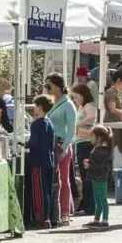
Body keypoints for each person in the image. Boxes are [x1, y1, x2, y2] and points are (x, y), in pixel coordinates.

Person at [44, 73, 77, 225]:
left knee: (63, 180)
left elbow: (71, 130)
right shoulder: (52, 102)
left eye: (49, 85)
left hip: (61, 144)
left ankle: (65, 212)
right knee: (55, 180)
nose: (47, 88)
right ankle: (55, 211)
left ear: (58, 86)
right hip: (51, 144)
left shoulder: (68, 105)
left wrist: (63, 148)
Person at [26, 95, 57, 229]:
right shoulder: (49, 123)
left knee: (38, 191)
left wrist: (25, 145)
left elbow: (34, 143)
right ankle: (47, 217)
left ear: (40, 107)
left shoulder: (37, 124)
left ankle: (41, 218)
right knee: (47, 190)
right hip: (48, 160)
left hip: (38, 160)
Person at [70, 83, 97, 215]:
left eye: (76, 96)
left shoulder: (88, 105)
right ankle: (86, 203)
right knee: (84, 174)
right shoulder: (82, 106)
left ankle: (89, 205)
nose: (75, 99)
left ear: (82, 94)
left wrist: (77, 125)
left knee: (87, 175)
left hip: (86, 142)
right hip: (81, 141)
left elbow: (91, 117)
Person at [82, 125, 113, 229]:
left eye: (92, 136)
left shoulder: (102, 151)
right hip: (96, 178)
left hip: (100, 178)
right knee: (98, 201)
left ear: (99, 138)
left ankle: (105, 221)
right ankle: (96, 220)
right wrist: (89, 162)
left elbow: (99, 166)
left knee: (102, 199)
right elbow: (97, 163)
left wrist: (89, 165)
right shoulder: (98, 149)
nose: (90, 138)